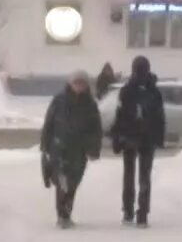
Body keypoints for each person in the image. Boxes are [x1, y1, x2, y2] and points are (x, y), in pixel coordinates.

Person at [39, 70, 102, 229]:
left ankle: (67, 211)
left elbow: (96, 129)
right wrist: (45, 145)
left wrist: (94, 149)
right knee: (63, 182)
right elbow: (49, 123)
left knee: (74, 182)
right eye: (76, 83)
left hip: (79, 150)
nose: (79, 86)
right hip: (59, 148)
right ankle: (62, 215)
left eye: (82, 83)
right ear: (70, 83)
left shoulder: (90, 104)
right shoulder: (59, 101)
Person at [110, 55, 165, 228]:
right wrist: (159, 137)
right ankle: (141, 214)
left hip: (131, 138)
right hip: (143, 138)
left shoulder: (128, 89)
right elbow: (159, 118)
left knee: (130, 176)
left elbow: (120, 115)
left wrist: (117, 137)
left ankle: (128, 212)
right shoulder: (153, 91)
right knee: (144, 177)